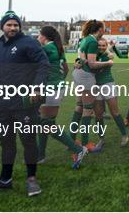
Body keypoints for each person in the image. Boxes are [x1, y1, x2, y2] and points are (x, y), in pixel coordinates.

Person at [0, 11, 49, 196]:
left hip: (24, 103)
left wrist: (37, 87)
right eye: (9, 25)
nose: (12, 28)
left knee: (28, 141)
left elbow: (43, 63)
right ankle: (5, 179)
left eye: (15, 25)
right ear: (3, 26)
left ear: (19, 27)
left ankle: (31, 179)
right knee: (6, 141)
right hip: (3, 104)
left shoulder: (29, 42)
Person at [36, 26, 88, 168]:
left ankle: (78, 149)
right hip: (57, 87)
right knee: (44, 122)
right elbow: (65, 68)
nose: (37, 38)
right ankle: (40, 155)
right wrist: (59, 82)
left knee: (47, 124)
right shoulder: (57, 48)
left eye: (38, 35)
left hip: (50, 89)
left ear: (44, 36)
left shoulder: (47, 48)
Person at [70, 20, 111, 151]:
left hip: (77, 74)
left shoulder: (85, 39)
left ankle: (71, 140)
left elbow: (81, 59)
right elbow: (92, 64)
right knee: (87, 110)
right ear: (99, 29)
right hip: (86, 76)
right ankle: (85, 144)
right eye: (103, 29)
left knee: (79, 107)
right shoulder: (93, 41)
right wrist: (108, 63)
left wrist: (80, 61)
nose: (104, 31)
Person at [93, 38, 129, 148]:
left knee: (115, 112)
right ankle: (101, 138)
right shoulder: (93, 55)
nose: (101, 47)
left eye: (103, 45)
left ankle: (124, 135)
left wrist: (109, 51)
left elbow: (109, 57)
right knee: (98, 115)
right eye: (99, 45)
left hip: (107, 84)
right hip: (95, 86)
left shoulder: (108, 56)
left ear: (106, 46)